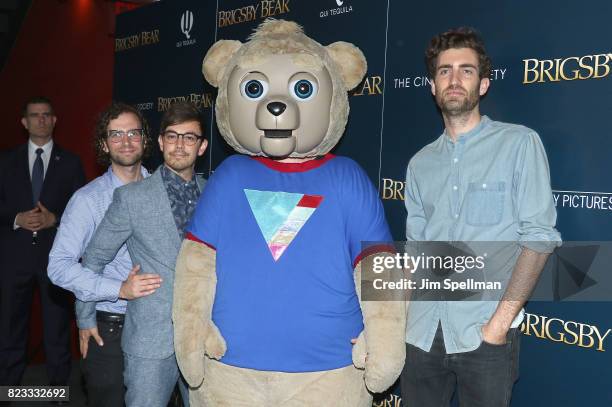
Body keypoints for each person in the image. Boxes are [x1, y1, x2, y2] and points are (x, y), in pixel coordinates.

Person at [401, 28, 561, 407]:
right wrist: (394, 325)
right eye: (444, 71)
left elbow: (538, 239)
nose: (454, 80)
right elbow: (415, 254)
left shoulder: (519, 144)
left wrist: (497, 326)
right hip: (421, 332)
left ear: (483, 84)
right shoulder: (420, 163)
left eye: (466, 70)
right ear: (432, 85)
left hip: (484, 334)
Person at [79, 101, 208, 407]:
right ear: (161, 142)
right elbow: (93, 259)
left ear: (201, 147)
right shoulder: (131, 198)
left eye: (189, 138)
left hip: (203, 338)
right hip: (151, 340)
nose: (180, 145)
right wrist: (85, 319)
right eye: (173, 136)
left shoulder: (213, 193)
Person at [48, 102, 152, 406]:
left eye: (133, 132)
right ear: (104, 144)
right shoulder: (88, 200)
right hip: (110, 329)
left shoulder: (164, 191)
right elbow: (59, 266)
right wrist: (117, 289)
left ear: (145, 139)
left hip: (160, 327)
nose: (126, 141)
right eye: (116, 134)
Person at [0, 96, 86, 386]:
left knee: (57, 332)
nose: (41, 119)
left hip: (56, 260)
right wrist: (16, 219)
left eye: (46, 114)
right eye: (34, 115)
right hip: (13, 260)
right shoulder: (5, 161)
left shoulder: (71, 163)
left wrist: (56, 220)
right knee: (9, 331)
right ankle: (8, 392)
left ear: (54, 120)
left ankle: (57, 395)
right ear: (24, 123)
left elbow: (82, 213)